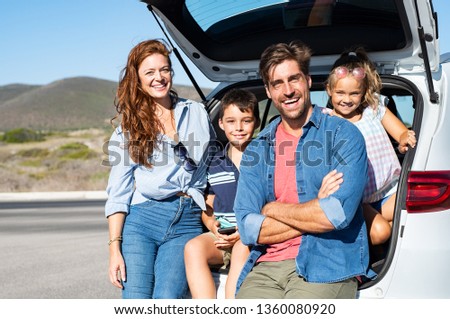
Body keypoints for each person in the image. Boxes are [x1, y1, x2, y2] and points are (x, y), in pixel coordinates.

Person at [233, 40, 376, 299]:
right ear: (268, 90)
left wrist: (271, 209)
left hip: (329, 263)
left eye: (294, 79)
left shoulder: (343, 135)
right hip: (266, 267)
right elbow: (248, 228)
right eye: (278, 84)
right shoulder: (257, 149)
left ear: (308, 80)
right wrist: (314, 207)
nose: (288, 91)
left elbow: (336, 215)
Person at [105, 39, 216, 299]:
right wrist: (114, 250)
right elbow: (118, 194)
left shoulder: (197, 112)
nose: (159, 77)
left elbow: (213, 163)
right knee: (136, 301)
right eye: (150, 72)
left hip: (187, 221)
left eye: (164, 69)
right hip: (143, 220)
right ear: (138, 79)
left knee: (167, 300)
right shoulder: (127, 130)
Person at [324, 47, 416, 247]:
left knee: (414, 213)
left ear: (364, 92)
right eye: (340, 92)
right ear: (329, 90)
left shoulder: (373, 110)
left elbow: (400, 133)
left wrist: (403, 139)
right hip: (358, 200)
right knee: (382, 232)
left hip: (391, 190)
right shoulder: (327, 121)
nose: (347, 99)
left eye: (354, 93)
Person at [184, 88, 260, 299]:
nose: (238, 128)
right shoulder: (214, 161)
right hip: (222, 236)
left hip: (250, 238)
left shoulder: (264, 157)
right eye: (231, 121)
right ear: (221, 124)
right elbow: (206, 205)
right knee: (193, 248)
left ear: (257, 123)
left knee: (240, 252)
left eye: (246, 120)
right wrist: (212, 226)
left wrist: (244, 233)